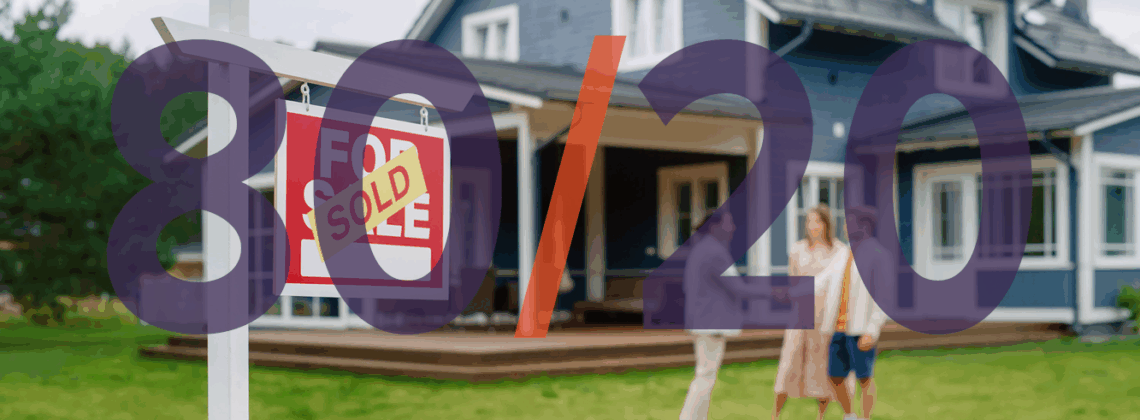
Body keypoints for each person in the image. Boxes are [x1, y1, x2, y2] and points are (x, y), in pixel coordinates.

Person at [679, 211, 779, 420]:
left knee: (705, 374)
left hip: (702, 321)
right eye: (729, 224)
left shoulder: (701, 249)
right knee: (705, 376)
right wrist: (772, 293)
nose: (732, 228)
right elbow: (738, 288)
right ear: (716, 227)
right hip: (711, 323)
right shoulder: (715, 252)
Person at [772, 205, 856, 420]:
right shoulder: (797, 250)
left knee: (821, 365)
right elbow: (792, 283)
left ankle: (821, 415)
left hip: (826, 316)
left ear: (827, 224)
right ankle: (775, 415)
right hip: (800, 315)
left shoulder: (839, 251)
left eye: (817, 221)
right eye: (809, 221)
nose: (813, 226)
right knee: (789, 362)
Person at [817, 206, 892, 420]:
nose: (844, 227)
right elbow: (823, 280)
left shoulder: (878, 255)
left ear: (864, 226)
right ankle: (850, 415)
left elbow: (884, 297)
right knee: (835, 375)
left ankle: (865, 417)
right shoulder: (844, 253)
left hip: (862, 327)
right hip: (839, 326)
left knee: (864, 378)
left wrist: (872, 330)